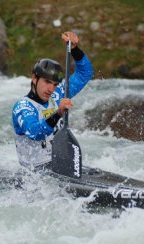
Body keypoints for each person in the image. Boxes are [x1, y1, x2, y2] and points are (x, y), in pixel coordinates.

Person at [12, 31, 93, 170]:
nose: (50, 89)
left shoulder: (58, 94)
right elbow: (35, 133)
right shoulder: (23, 107)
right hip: (34, 174)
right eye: (46, 82)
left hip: (60, 164)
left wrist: (74, 50)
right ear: (34, 78)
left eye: (55, 84)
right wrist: (58, 113)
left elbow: (85, 74)